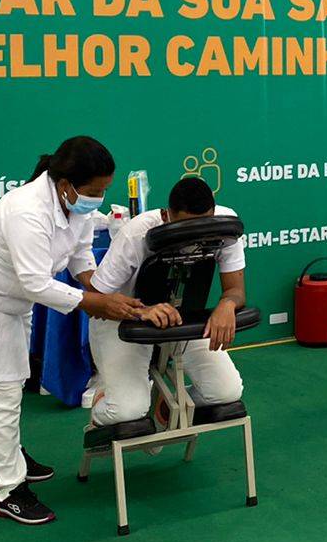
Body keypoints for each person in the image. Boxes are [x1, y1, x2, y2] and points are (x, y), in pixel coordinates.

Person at [0, 136, 145, 525]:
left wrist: (101, 290)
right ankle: (8, 489)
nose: (99, 198)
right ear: (66, 184)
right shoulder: (27, 210)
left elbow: (79, 256)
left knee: (12, 383)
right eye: (95, 191)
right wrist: (99, 304)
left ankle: (4, 457)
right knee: (1, 392)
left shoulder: (71, 204)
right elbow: (35, 283)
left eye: (105, 190)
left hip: (9, 302)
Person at [85, 177, 247, 439]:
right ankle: (104, 400)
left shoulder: (225, 225)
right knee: (128, 411)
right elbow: (94, 302)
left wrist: (227, 305)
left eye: (202, 223)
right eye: (185, 226)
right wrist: (141, 311)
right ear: (167, 215)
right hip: (123, 321)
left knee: (226, 391)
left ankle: (165, 406)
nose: (195, 233)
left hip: (181, 317)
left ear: (213, 213)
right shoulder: (136, 234)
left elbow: (235, 290)